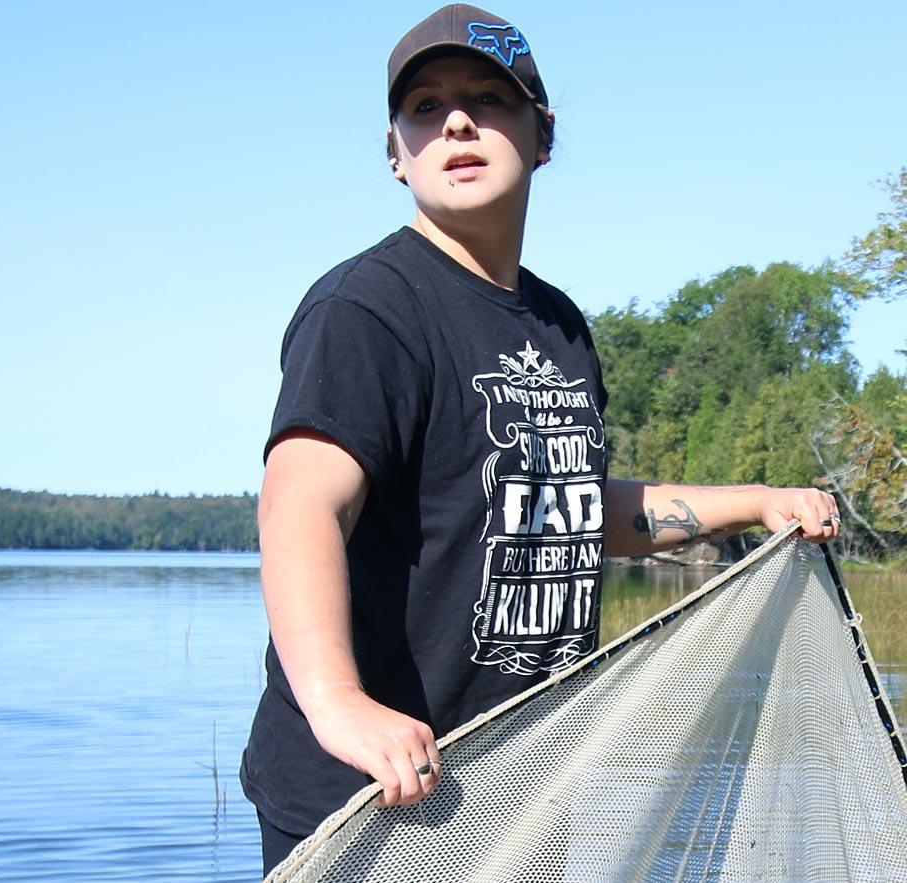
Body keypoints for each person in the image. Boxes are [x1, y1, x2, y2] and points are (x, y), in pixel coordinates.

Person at [238, 5, 842, 875]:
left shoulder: (560, 328)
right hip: (366, 802)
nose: (456, 120)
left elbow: (575, 508)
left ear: (543, 135)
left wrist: (757, 503)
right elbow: (300, 506)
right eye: (425, 106)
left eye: (489, 98)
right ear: (395, 152)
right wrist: (339, 702)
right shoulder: (367, 310)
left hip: (522, 789)